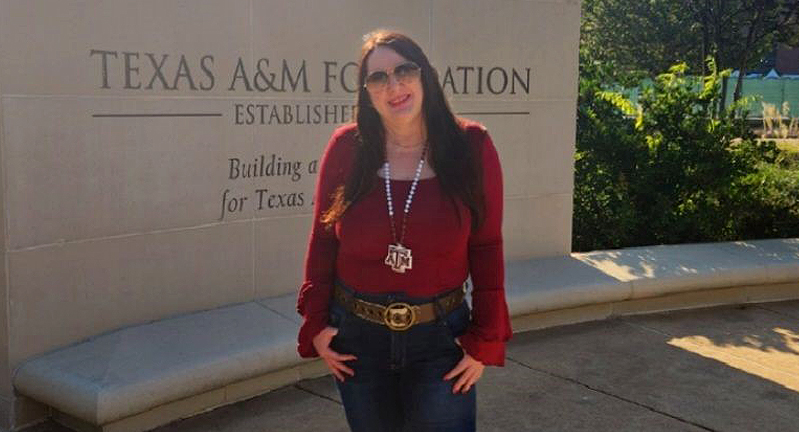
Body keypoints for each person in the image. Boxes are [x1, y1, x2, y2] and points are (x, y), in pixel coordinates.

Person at [296, 29, 512, 432]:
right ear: (367, 92)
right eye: (377, 78)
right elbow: (323, 240)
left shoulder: (472, 147)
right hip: (357, 339)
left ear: (424, 75)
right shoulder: (347, 148)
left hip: (441, 340)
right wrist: (316, 323)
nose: (393, 85)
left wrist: (484, 339)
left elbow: (487, 246)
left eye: (403, 70)